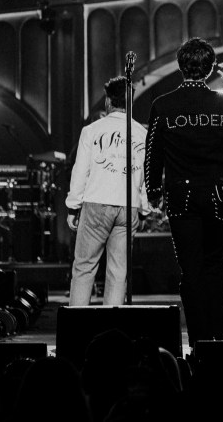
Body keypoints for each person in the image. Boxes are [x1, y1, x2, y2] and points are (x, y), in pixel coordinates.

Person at [144, 37, 223, 346]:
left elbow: (153, 153)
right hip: (217, 194)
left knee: (191, 269)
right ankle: (217, 339)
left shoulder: (163, 104)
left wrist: (154, 191)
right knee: (215, 266)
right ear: (211, 68)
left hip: (180, 195)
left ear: (180, 66)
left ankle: (199, 339)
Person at [66, 75, 149, 306]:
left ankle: (77, 330)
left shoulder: (92, 131)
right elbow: (145, 178)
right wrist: (144, 210)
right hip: (128, 205)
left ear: (108, 102)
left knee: (84, 268)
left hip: (96, 203)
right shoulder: (142, 134)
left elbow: (80, 171)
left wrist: (73, 206)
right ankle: (112, 332)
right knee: (118, 272)